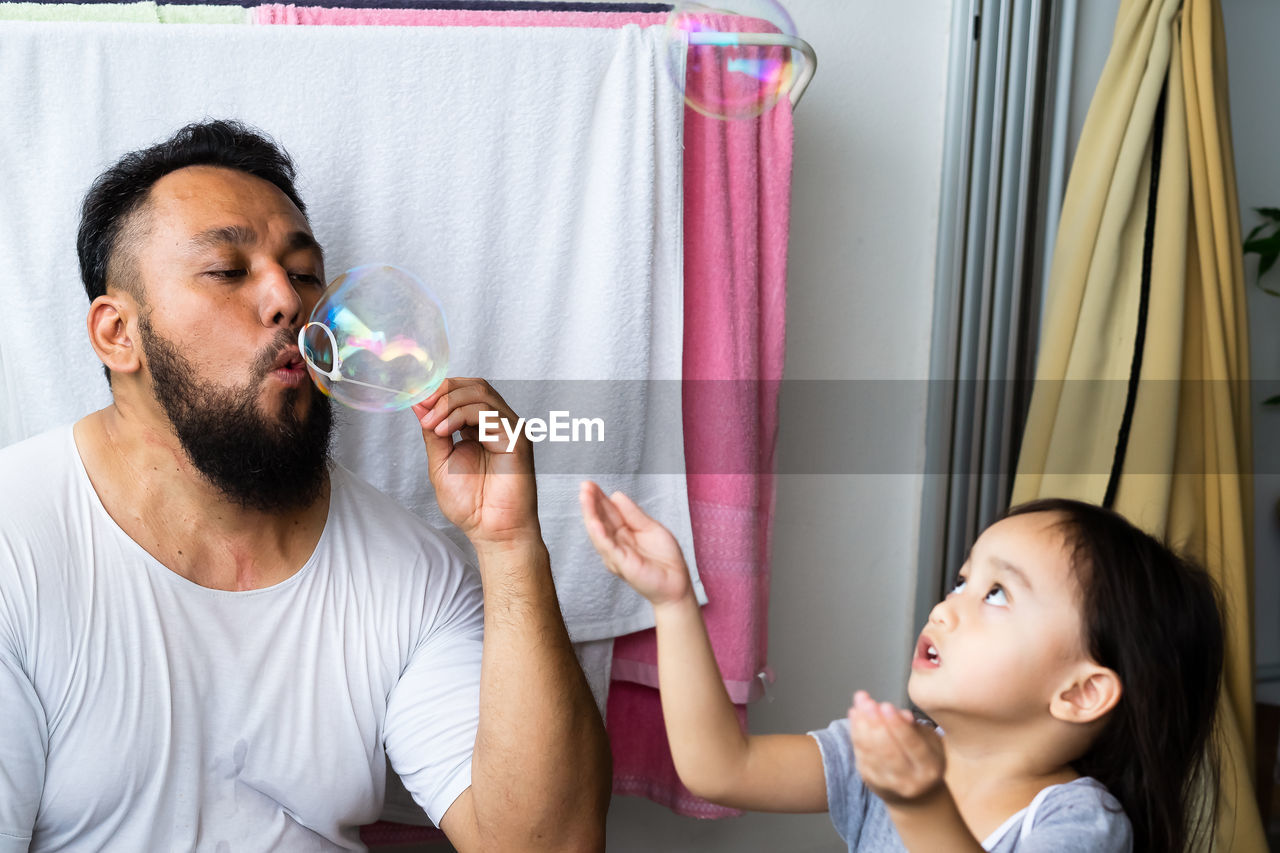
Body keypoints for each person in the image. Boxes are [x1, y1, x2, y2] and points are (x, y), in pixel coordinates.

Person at [0, 119, 610, 852]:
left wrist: (510, 545)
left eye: (304, 272)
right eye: (228, 270)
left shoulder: (414, 568)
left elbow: (549, 845)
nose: (287, 299)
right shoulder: (16, 538)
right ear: (116, 333)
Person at [579, 482, 1226, 852]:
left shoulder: (1078, 823)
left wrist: (919, 803)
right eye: (963, 579)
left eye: (997, 593)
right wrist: (672, 600)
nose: (947, 605)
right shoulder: (894, 757)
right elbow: (723, 767)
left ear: (1081, 691)